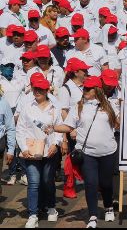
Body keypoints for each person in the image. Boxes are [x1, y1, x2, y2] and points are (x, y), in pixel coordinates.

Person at [53, 76, 119, 228]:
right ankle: (93, 216)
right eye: (84, 88)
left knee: (106, 183)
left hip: (108, 152)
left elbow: (117, 125)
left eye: (88, 88)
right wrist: (53, 128)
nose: (85, 90)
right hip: (87, 153)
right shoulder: (79, 107)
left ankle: (108, 206)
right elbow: (68, 126)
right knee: (90, 183)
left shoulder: (109, 106)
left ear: (97, 90)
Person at [15, 73, 61, 228]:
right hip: (32, 152)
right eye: (35, 89)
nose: (37, 91)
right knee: (34, 182)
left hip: (50, 151)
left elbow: (60, 128)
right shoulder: (27, 107)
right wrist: (24, 148)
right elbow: (20, 129)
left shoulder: (54, 106)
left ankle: (52, 207)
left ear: (47, 90)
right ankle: (33, 214)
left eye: (41, 89)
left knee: (47, 181)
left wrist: (56, 143)